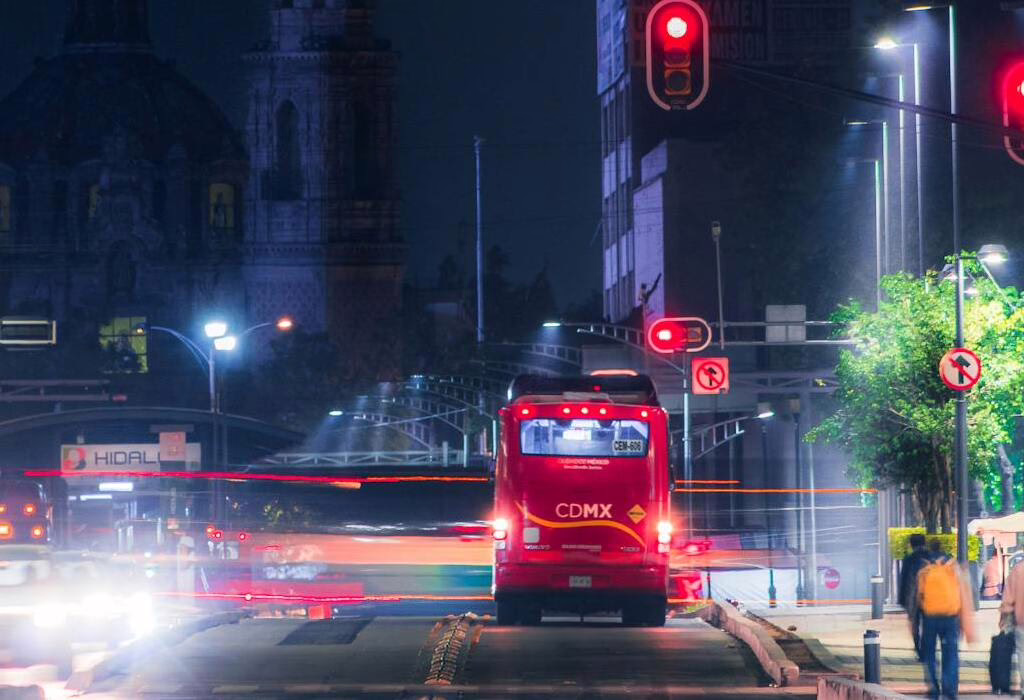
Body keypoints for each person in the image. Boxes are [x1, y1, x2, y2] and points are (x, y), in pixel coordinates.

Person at [917, 540, 976, 699]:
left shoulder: (925, 569)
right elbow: (963, 595)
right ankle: (949, 690)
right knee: (950, 653)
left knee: (929, 654)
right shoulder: (953, 567)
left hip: (930, 618)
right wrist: (966, 625)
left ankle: (933, 688)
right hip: (951, 618)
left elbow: (919, 597)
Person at [899, 533, 934, 657]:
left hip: (912, 597)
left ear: (911, 544)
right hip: (928, 597)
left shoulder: (908, 559)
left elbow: (903, 581)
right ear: (924, 543)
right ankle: (927, 648)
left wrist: (902, 600)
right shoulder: (930, 557)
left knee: (914, 623)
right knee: (928, 624)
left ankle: (918, 648)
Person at [999, 560, 1024, 695]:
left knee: (1023, 653)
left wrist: (1004, 617)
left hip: (1022, 621)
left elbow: (1008, 598)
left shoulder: (1018, 569)